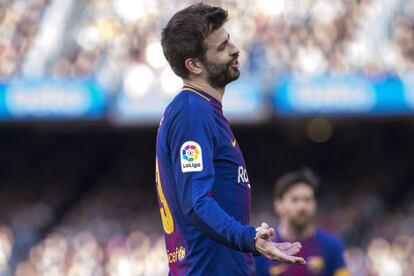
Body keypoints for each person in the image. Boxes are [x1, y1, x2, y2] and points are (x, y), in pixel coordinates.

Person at [155, 3, 305, 275]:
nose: (235, 49)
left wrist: (253, 243)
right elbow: (196, 202)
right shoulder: (192, 111)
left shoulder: (201, 110)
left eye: (230, 40)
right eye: (222, 47)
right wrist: (248, 238)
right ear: (194, 65)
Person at [254, 168, 350, 276]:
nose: (302, 206)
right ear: (278, 205)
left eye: (308, 199)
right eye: (295, 200)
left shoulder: (333, 246)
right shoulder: (264, 248)